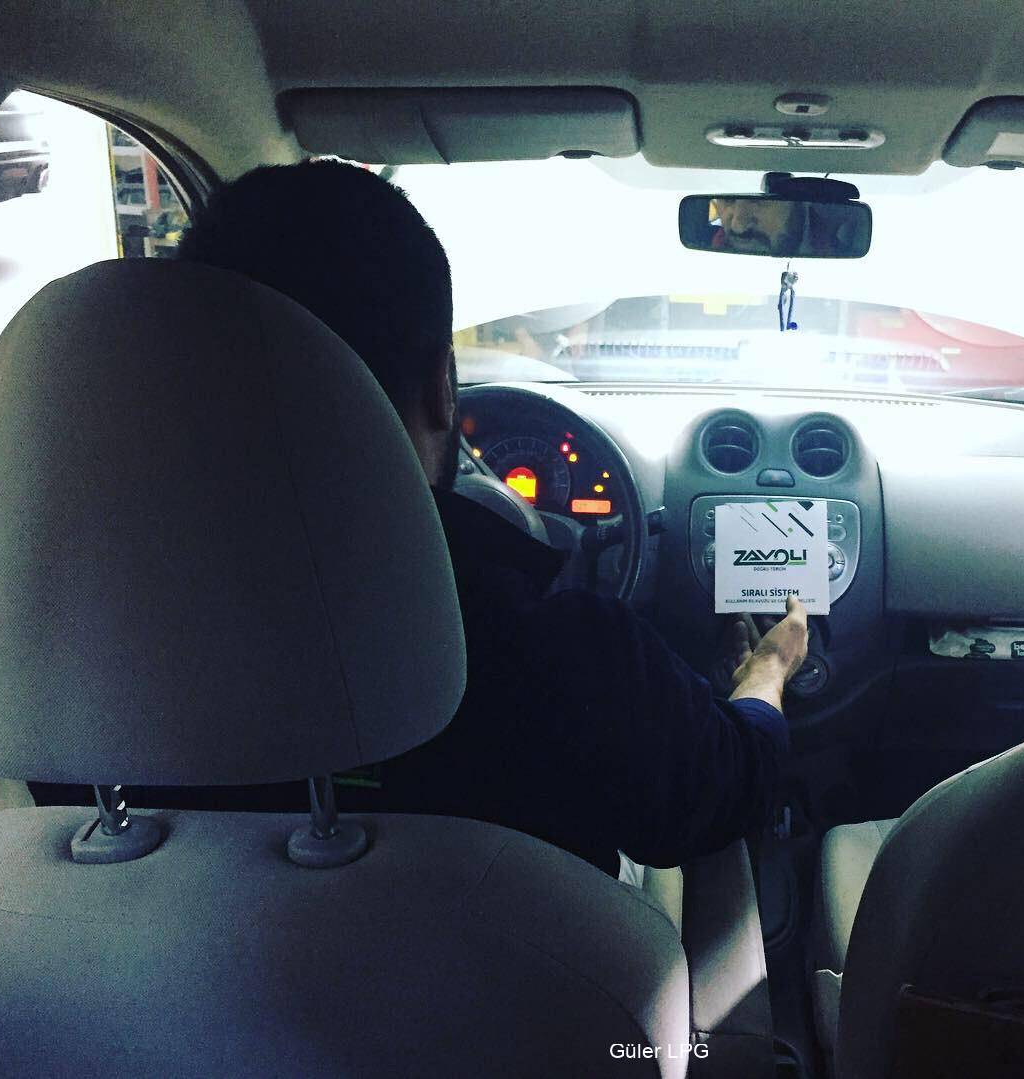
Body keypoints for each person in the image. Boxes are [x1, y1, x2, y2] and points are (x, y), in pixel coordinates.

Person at [177, 160, 808, 875]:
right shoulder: (556, 654)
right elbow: (728, 788)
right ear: (443, 388)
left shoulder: (111, 656)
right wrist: (769, 670)